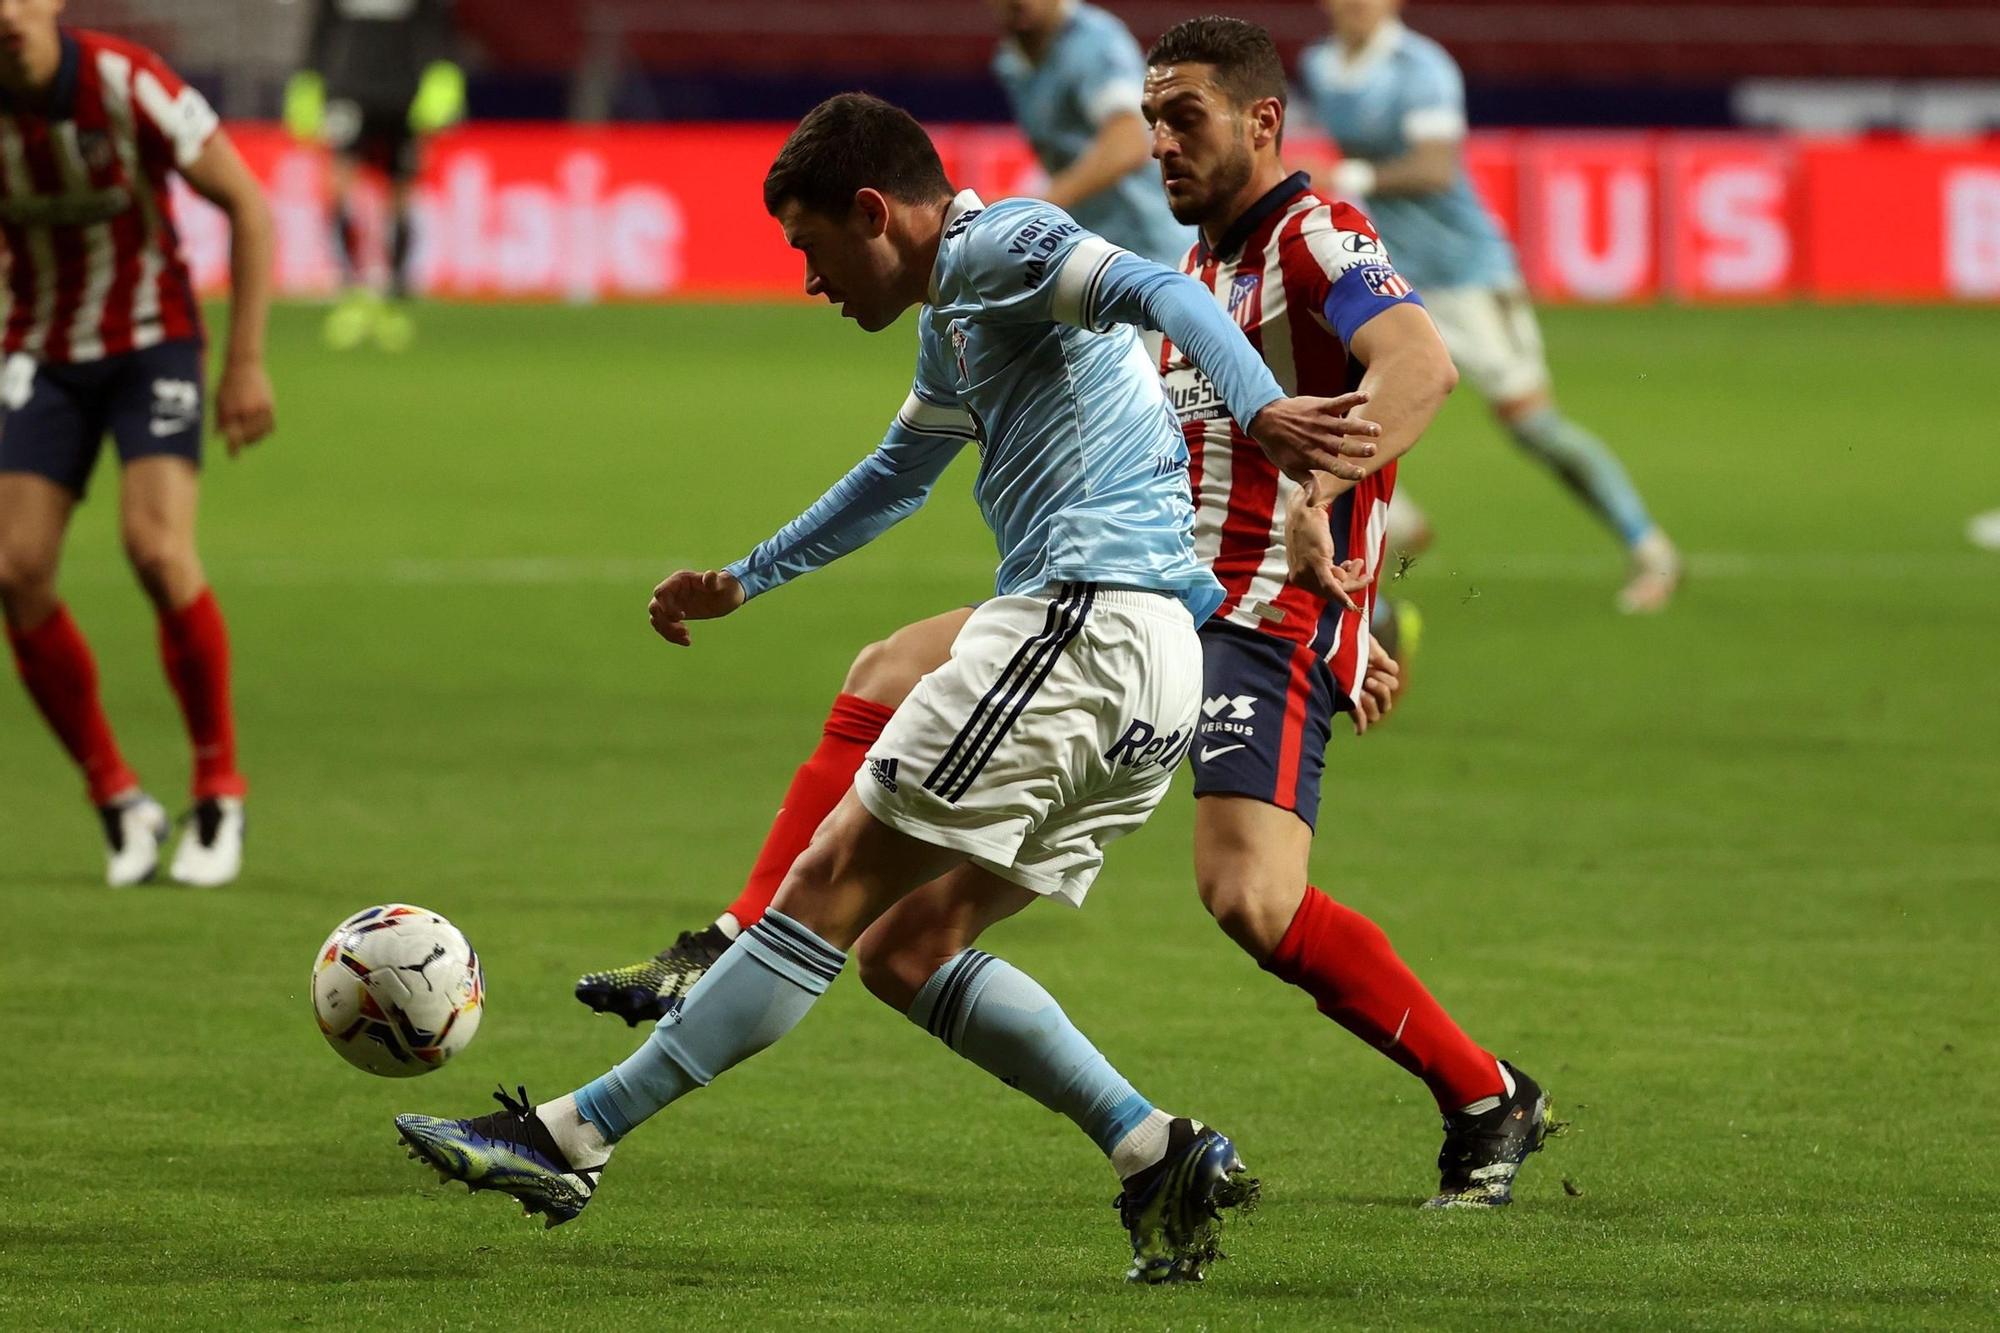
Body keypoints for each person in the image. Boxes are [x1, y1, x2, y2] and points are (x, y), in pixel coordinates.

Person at [394, 92, 1385, 1280]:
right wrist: (745, 578)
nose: (811, 283)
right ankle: (1152, 1147)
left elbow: (1160, 293)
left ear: (874, 212)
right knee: (903, 949)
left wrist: (1260, 406)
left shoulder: (1000, 248)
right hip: (1144, 667)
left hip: (1077, 630)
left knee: (825, 882)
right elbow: (895, 475)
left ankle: (570, 1136)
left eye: (810, 249)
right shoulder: (953, 320)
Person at [574, 18, 1560, 1210]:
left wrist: (1326, 500)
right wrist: (747, 575)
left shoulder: (1316, 234)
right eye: (1148, 119)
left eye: (1180, 117)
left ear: (1262, 121)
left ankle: (1482, 1094)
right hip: (1159, 603)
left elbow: (1418, 366)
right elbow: (925, 461)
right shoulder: (1206, 273)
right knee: (891, 729)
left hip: (1251, 615)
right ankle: (746, 940)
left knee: (1249, 899)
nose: (1154, 143)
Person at [0, 1, 276, 887]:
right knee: (15, 570)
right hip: (39, 349)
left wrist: (244, 362)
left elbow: (247, 203)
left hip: (152, 339)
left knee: (156, 550)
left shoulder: (128, 82)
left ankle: (217, 791)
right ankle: (118, 797)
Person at [1299, 0, 1681, 614]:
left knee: (1533, 425)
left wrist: (1344, 176)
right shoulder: (1321, 65)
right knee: (1336, 394)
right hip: (1386, 269)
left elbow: (1434, 168)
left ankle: (1650, 549)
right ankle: (1398, 525)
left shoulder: (1423, 67)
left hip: (1465, 275)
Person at [284, 0, 463, 351]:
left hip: (404, 93)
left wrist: (443, 74)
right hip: (347, 89)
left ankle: (395, 290)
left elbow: (437, 28)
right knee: (339, 187)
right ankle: (350, 285)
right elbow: (322, 29)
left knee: (401, 192)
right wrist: (308, 79)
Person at [991, 0, 1192, 264]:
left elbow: (1130, 143)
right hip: (1095, 249)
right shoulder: (1011, 62)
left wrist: (1041, 205)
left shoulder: (1095, 42)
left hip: (1153, 249)